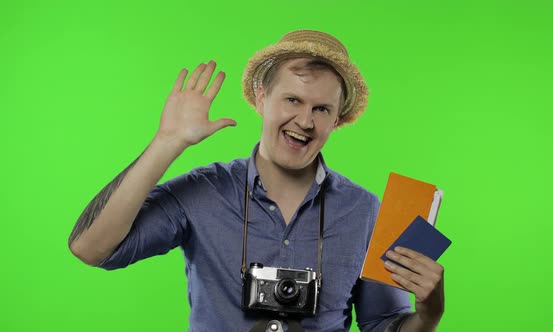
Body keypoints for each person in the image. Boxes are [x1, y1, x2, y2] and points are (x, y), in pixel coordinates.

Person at [68, 30, 445, 331]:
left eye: (321, 109)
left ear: (336, 120)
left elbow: (382, 325)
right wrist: (167, 142)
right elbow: (92, 249)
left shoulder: (364, 210)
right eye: (292, 100)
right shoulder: (204, 191)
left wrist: (428, 314)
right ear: (262, 98)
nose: (305, 121)